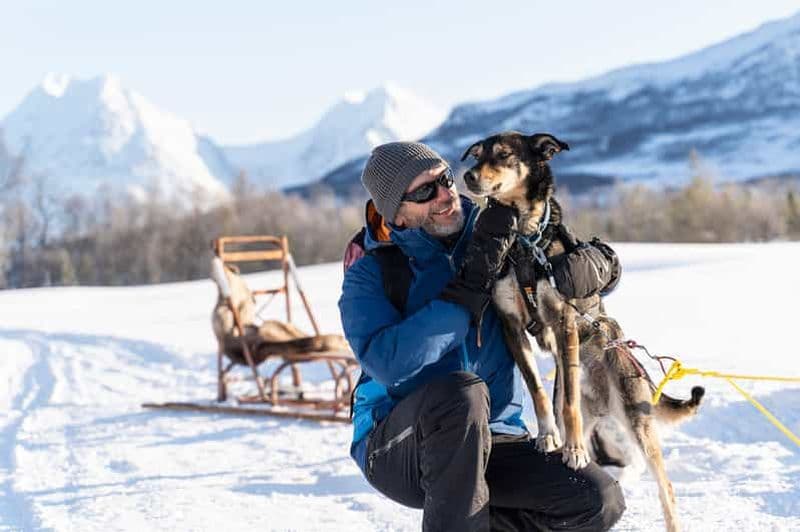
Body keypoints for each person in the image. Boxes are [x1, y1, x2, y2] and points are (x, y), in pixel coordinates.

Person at [338, 141, 625, 531]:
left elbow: (551, 238)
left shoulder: (494, 232)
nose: (444, 196)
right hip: (399, 445)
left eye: (445, 180)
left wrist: (599, 266)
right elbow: (388, 363)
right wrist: (466, 293)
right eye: (424, 191)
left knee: (595, 499)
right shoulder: (372, 271)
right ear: (398, 214)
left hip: (499, 436)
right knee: (461, 392)